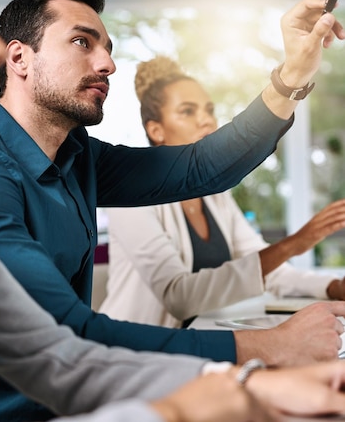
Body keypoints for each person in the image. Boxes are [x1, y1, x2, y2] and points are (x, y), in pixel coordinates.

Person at [0, 0, 345, 422]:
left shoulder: (76, 157)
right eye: (83, 42)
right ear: (18, 58)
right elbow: (69, 335)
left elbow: (202, 166)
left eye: (107, 47)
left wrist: (292, 76)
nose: (107, 63)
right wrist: (262, 351)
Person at [101, 56, 345, 328]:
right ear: (156, 130)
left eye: (209, 110)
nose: (206, 121)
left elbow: (267, 268)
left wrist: (335, 287)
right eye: (188, 111)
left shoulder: (215, 194)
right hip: (135, 352)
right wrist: (293, 244)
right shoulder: (129, 198)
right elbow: (179, 296)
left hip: (199, 339)